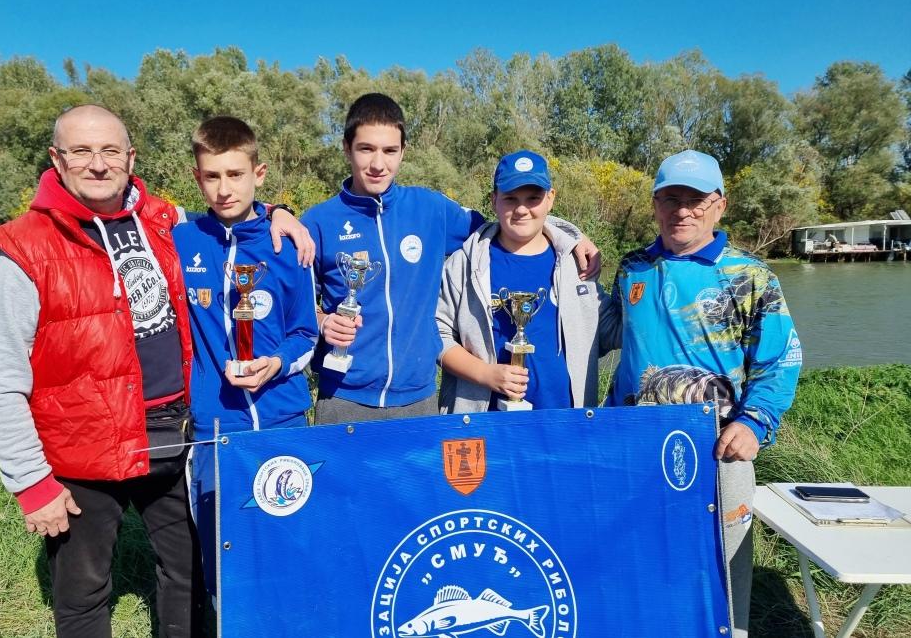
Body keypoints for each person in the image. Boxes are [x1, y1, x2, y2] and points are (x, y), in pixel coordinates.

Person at [0, 104, 312, 637]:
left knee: (189, 571)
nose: (98, 164)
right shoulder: (22, 250)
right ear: (56, 159)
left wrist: (279, 212)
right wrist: (31, 482)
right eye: (81, 151)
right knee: (84, 591)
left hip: (174, 437)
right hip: (84, 445)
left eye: (109, 150)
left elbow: (232, 209)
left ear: (130, 158)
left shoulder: (163, 221)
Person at [301, 93, 599, 424]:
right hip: (343, 396)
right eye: (366, 149)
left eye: (390, 151)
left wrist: (569, 236)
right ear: (346, 148)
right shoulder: (317, 223)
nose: (378, 164)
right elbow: (294, 308)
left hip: (417, 400)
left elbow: (510, 221)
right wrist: (324, 321)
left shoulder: (431, 209)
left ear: (403, 151)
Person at [605, 149, 802, 637]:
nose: (683, 211)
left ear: (719, 206)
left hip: (719, 448)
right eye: (670, 199)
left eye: (695, 200)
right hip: (633, 446)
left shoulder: (752, 276)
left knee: (722, 572)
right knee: (640, 560)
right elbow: (602, 331)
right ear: (655, 205)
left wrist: (754, 422)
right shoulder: (632, 268)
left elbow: (781, 359)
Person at [172, 116, 318, 596]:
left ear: (259, 173)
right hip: (217, 426)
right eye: (211, 176)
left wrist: (276, 364)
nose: (224, 189)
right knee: (223, 553)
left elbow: (306, 333)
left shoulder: (288, 244)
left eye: (235, 174)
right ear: (196, 177)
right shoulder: (181, 241)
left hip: (284, 420)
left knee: (290, 543)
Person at [436, 150, 620, 413]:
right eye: (510, 198)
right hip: (482, 424)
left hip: (563, 423)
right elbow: (436, 335)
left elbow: (609, 330)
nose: (522, 209)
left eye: (533, 198)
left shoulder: (576, 264)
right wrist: (485, 374)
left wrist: (645, 281)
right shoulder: (465, 263)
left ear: (550, 199)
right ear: (494, 200)